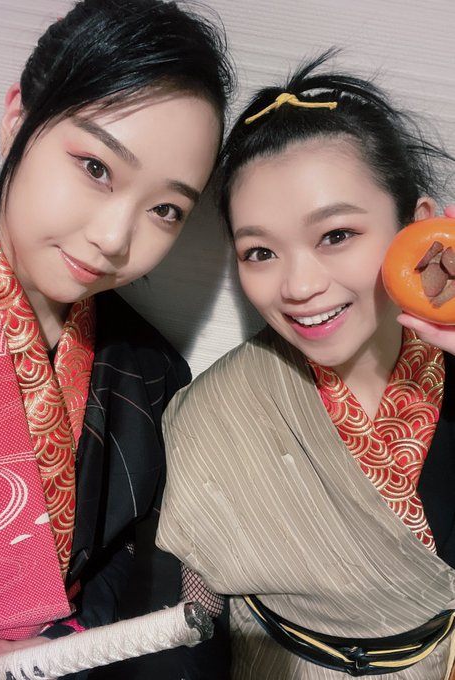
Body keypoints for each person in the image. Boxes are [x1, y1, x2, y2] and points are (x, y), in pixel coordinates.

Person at [0, 0, 234, 677]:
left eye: (165, 209)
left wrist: (69, 648)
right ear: (18, 118)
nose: (113, 238)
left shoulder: (149, 373)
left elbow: (139, 572)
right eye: (96, 167)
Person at [157, 51, 455, 679]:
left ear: (419, 230)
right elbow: (196, 607)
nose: (297, 287)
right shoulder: (213, 412)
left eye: (335, 235)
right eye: (260, 251)